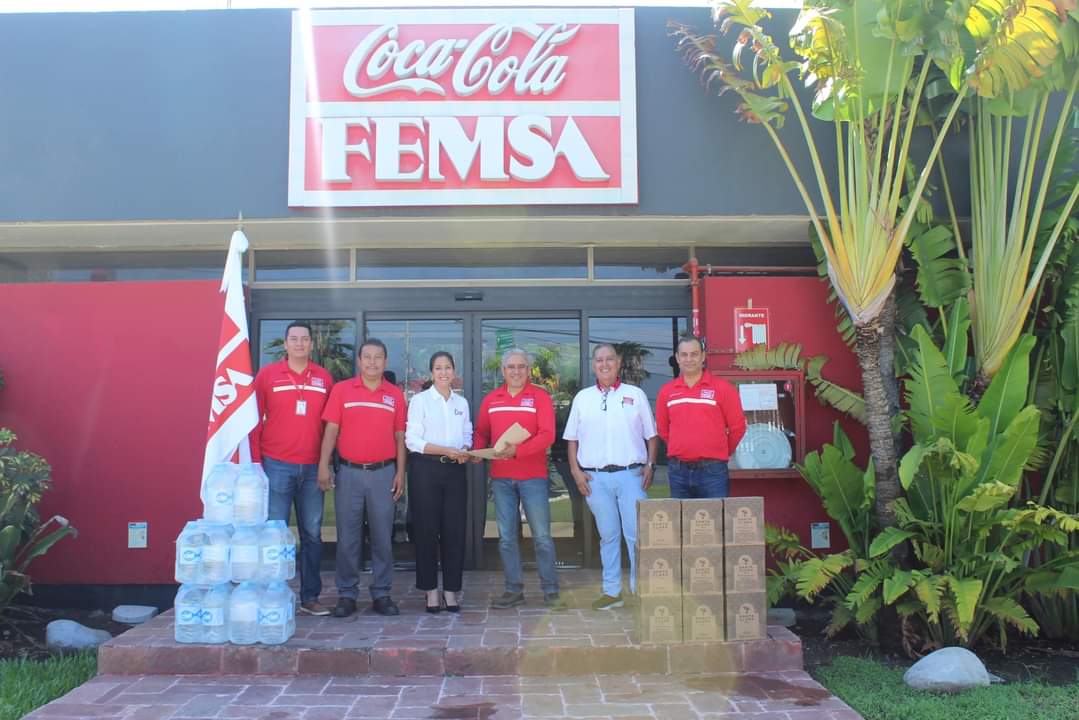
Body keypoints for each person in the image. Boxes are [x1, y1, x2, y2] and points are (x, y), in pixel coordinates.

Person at [564, 344, 658, 610]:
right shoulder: (583, 398)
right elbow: (571, 439)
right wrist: (575, 472)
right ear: (593, 364)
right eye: (599, 360)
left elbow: (651, 435)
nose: (604, 364)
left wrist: (651, 464)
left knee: (637, 535)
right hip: (595, 480)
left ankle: (640, 592)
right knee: (608, 536)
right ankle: (612, 592)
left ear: (618, 363)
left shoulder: (635, 395)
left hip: (631, 476)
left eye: (609, 360)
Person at [251, 321, 334, 616]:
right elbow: (253, 418)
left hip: (313, 467)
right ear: (285, 344)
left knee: (312, 534)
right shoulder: (267, 376)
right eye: (294, 339)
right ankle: (274, 594)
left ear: (312, 344)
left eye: (305, 339)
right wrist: (255, 464)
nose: (299, 343)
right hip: (276, 465)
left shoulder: (324, 378)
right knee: (274, 533)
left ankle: (310, 597)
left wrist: (327, 464)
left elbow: (331, 426)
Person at [318, 338, 406, 617]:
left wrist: (401, 472)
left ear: (385, 361)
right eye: (366, 357)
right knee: (348, 537)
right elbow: (331, 431)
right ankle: (347, 594)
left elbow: (400, 436)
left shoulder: (394, 394)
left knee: (382, 536)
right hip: (349, 474)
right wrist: (323, 466)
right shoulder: (342, 390)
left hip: (383, 473)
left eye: (377, 357)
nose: (372, 362)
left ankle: (382, 593)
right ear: (358, 361)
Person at [473, 348, 565, 610]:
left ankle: (551, 591)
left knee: (543, 537)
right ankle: (514, 591)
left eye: (521, 366)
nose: (516, 371)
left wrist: (518, 451)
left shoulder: (540, 397)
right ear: (503, 371)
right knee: (507, 538)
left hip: (533, 477)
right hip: (501, 478)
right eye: (511, 367)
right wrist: (477, 451)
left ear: (528, 369)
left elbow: (547, 435)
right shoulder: (492, 399)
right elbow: (482, 432)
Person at [405, 351, 472, 614]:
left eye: (447, 368)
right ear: (431, 373)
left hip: (455, 470)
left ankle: (451, 591)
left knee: (455, 532)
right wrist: (445, 450)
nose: (443, 372)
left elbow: (467, 432)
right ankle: (431, 591)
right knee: (426, 531)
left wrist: (466, 447)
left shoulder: (461, 403)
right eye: (438, 368)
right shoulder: (420, 401)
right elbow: (413, 441)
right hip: (425, 471)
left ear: (454, 372)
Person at [656, 335, 746, 499]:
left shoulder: (723, 389)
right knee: (681, 523)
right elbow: (662, 429)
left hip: (713, 471)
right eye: (684, 355)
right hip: (678, 471)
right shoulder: (666, 391)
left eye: (694, 354)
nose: (689, 359)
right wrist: (681, 446)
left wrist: (722, 451)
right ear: (677, 358)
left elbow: (738, 428)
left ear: (703, 356)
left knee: (716, 522)